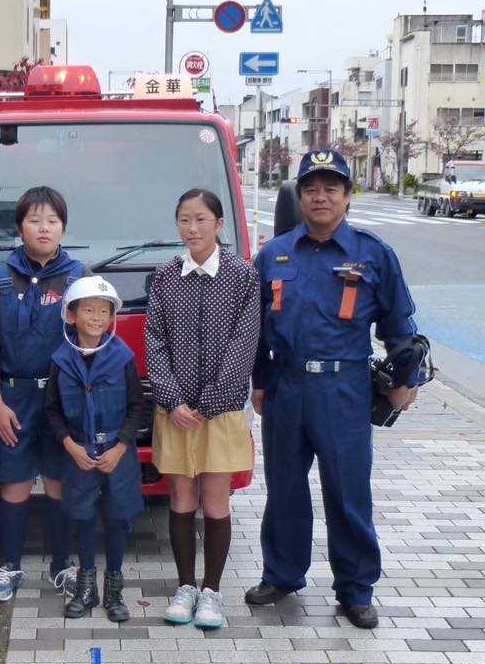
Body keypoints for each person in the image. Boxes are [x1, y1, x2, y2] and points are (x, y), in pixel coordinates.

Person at [247, 149, 421, 629]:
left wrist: (405, 381)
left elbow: (399, 326)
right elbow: (255, 329)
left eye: (330, 188)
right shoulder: (274, 254)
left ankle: (355, 589)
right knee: (284, 487)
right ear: (299, 196)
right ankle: (282, 574)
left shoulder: (372, 253)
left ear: (347, 195)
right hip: (286, 386)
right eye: (310, 188)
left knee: (347, 491)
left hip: (345, 388)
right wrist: (260, 384)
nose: (320, 196)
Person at [145, 189, 260, 628]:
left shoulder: (242, 276)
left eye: (201, 220)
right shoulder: (165, 276)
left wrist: (207, 403)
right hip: (174, 412)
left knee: (215, 500)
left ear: (219, 224)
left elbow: (243, 345)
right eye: (184, 220)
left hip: (222, 411)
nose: (192, 229)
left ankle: (211, 591)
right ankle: (185, 586)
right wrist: (173, 400)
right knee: (180, 498)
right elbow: (155, 341)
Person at [0, 186, 84, 602]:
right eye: (35, 220)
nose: (44, 228)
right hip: (13, 399)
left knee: (59, 483)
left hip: (61, 398)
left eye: (52, 221)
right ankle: (9, 566)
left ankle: (62, 566)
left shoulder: (78, 277)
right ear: (20, 227)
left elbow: (91, 341)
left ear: (63, 228)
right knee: (15, 484)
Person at [44, 276, 144, 622]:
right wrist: (70, 446)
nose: (97, 317)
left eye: (104, 311)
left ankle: (114, 589)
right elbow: (52, 410)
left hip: (117, 452)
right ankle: (86, 587)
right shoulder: (61, 359)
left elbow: (137, 406)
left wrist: (120, 446)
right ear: (71, 315)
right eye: (88, 310)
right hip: (79, 452)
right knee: (83, 516)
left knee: (117, 518)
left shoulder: (123, 357)